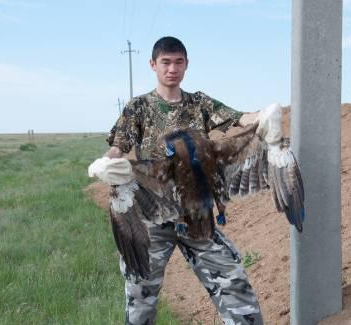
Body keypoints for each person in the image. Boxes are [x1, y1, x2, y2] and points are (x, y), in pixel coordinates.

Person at [104, 36, 264, 325]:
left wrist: (268, 115)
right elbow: (118, 146)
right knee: (140, 298)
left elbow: (241, 119)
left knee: (234, 285)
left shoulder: (199, 103)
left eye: (178, 62)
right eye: (165, 62)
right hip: (152, 218)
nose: (172, 68)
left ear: (186, 65)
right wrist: (107, 163)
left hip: (197, 218)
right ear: (153, 65)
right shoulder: (138, 108)